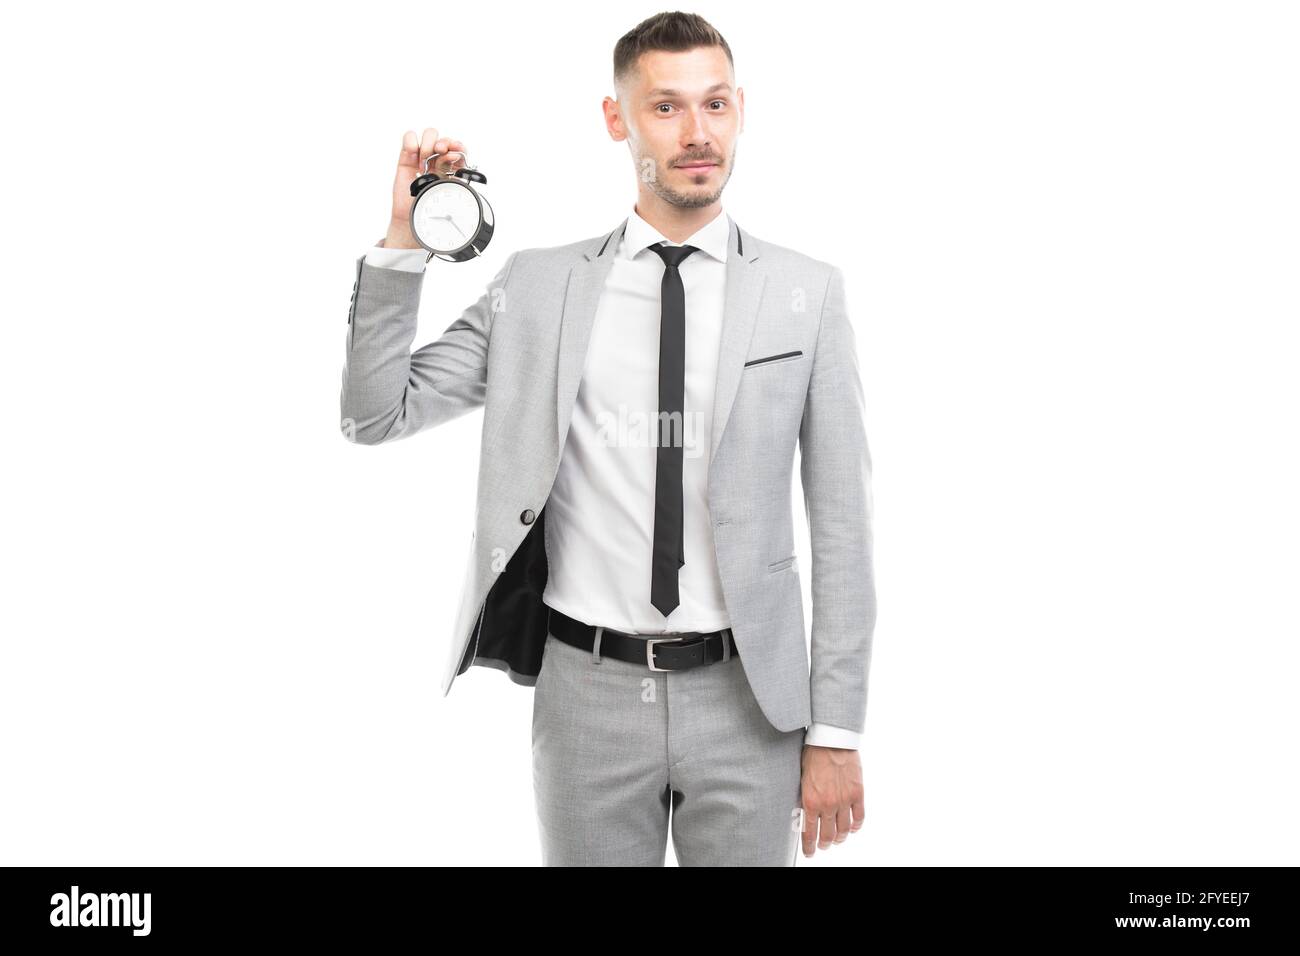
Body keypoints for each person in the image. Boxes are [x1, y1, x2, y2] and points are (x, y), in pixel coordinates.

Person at [340, 11, 875, 866]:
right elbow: (375, 413)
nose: (698, 134)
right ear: (616, 119)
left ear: (742, 109)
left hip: (752, 701)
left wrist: (837, 729)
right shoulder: (540, 287)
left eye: (716, 104)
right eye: (665, 108)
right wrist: (406, 240)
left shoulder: (806, 295)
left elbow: (844, 528)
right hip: (585, 695)